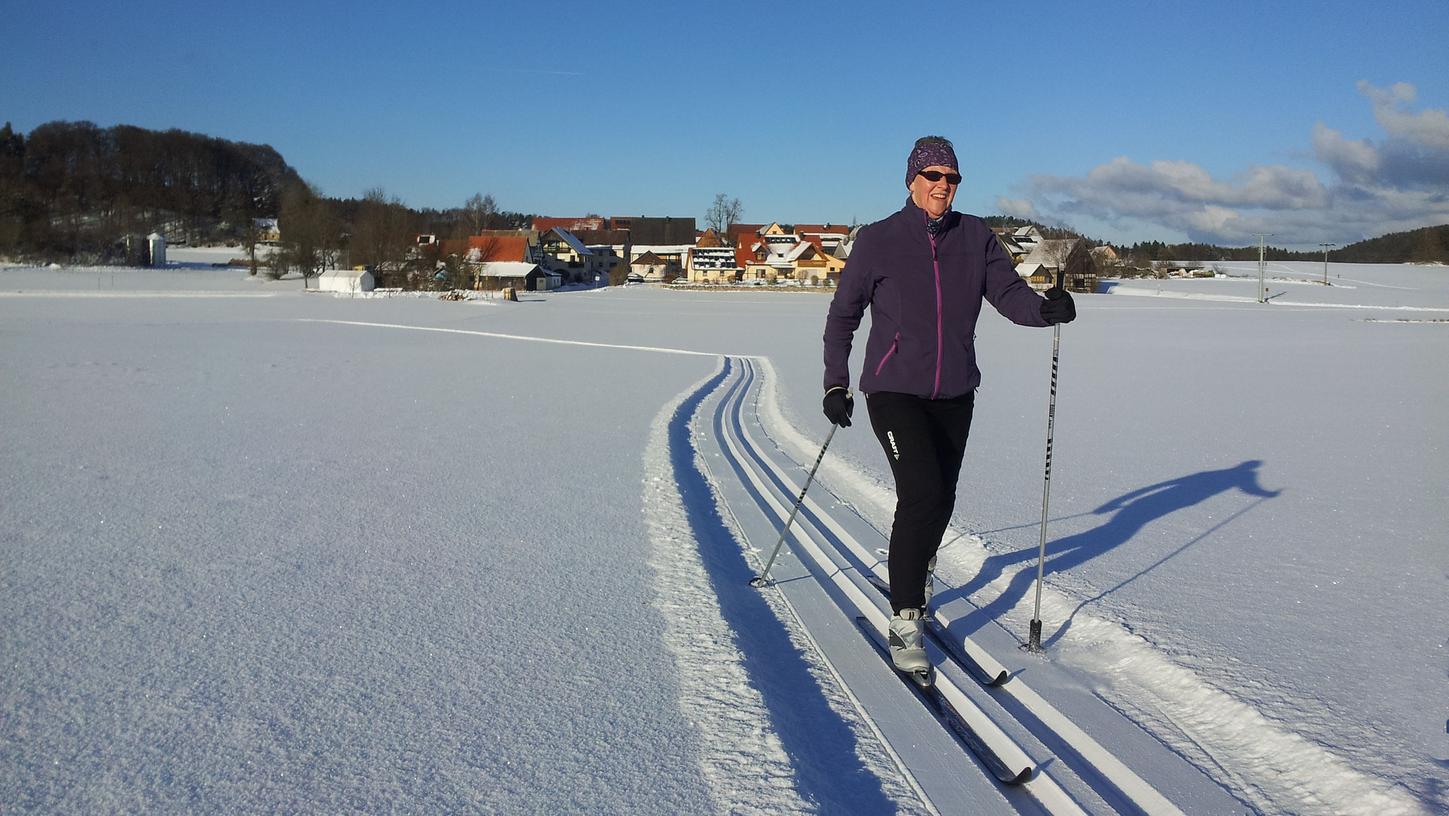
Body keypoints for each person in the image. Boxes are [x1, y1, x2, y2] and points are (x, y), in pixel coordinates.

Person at [821, 135, 1076, 676]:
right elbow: (844, 315)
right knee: (923, 492)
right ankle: (905, 613)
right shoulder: (879, 240)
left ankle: (917, 566)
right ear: (912, 179)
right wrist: (834, 382)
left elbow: (1008, 295)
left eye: (952, 178)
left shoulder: (976, 235)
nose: (943, 186)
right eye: (934, 176)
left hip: (956, 390)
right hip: (893, 389)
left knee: (942, 499)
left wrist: (1045, 310)